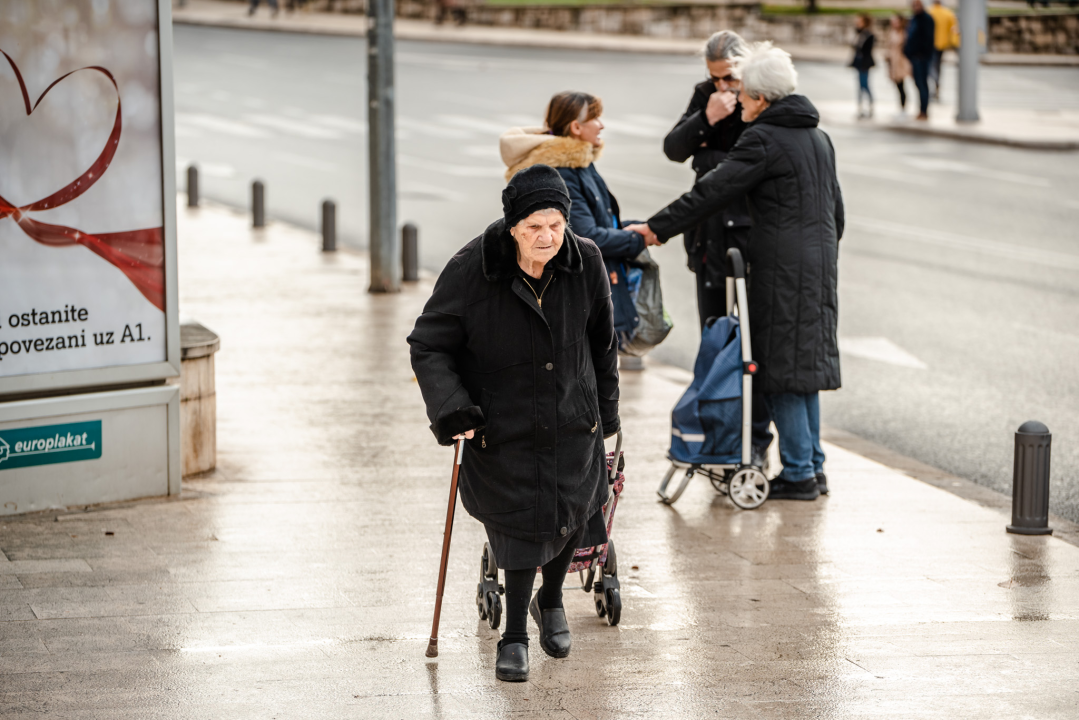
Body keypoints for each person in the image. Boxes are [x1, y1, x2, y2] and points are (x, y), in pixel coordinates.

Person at [407, 165, 620, 682]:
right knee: (517, 526)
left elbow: (602, 342)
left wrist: (607, 412)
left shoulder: (585, 260)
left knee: (575, 510)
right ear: (512, 227)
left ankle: (551, 601)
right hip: (504, 425)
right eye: (533, 228)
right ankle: (514, 637)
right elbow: (428, 343)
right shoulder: (471, 270)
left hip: (573, 418)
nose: (547, 237)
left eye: (555, 225)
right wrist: (453, 407)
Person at [635, 43, 844, 501]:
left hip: (779, 268)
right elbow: (837, 213)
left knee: (779, 373)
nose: (738, 101)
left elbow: (712, 192)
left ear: (763, 99)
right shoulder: (817, 138)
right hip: (818, 266)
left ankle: (799, 475)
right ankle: (812, 466)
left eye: (745, 95)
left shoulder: (764, 139)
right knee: (803, 369)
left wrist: (654, 229)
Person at [662, 30, 772, 466]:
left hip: (749, 239)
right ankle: (718, 433)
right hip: (709, 237)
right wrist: (705, 118)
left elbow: (748, 166)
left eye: (729, 78)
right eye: (715, 78)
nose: (724, 88)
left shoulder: (761, 96)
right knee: (713, 337)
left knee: (752, 346)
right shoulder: (707, 95)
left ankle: (756, 440)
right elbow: (674, 148)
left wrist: (707, 158)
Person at [500, 92, 659, 360]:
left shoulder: (580, 163)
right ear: (576, 127)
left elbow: (597, 221)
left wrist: (634, 228)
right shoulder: (563, 171)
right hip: (576, 294)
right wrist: (638, 239)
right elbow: (587, 236)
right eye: (595, 117)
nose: (601, 125)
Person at [904, 0, 936, 121]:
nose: (915, 7)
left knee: (922, 83)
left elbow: (928, 39)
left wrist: (922, 54)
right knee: (918, 83)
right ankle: (921, 109)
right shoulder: (914, 19)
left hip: (921, 57)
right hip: (914, 57)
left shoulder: (926, 19)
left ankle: (924, 110)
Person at [927, 0, 958, 100]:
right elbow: (953, 29)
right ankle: (936, 85)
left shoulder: (928, 12)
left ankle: (934, 83)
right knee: (937, 66)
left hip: (930, 44)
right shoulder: (948, 13)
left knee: (931, 65)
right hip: (942, 44)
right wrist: (955, 44)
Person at [850, 14, 876, 119]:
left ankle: (870, 105)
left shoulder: (869, 35)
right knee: (859, 86)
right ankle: (860, 107)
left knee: (865, 85)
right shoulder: (858, 34)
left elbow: (866, 50)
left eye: (859, 22)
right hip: (858, 63)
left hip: (865, 63)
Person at [887, 14, 913, 118]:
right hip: (893, 62)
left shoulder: (905, 33)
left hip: (901, 62)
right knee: (898, 86)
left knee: (901, 86)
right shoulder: (891, 32)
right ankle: (901, 107)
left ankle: (903, 108)